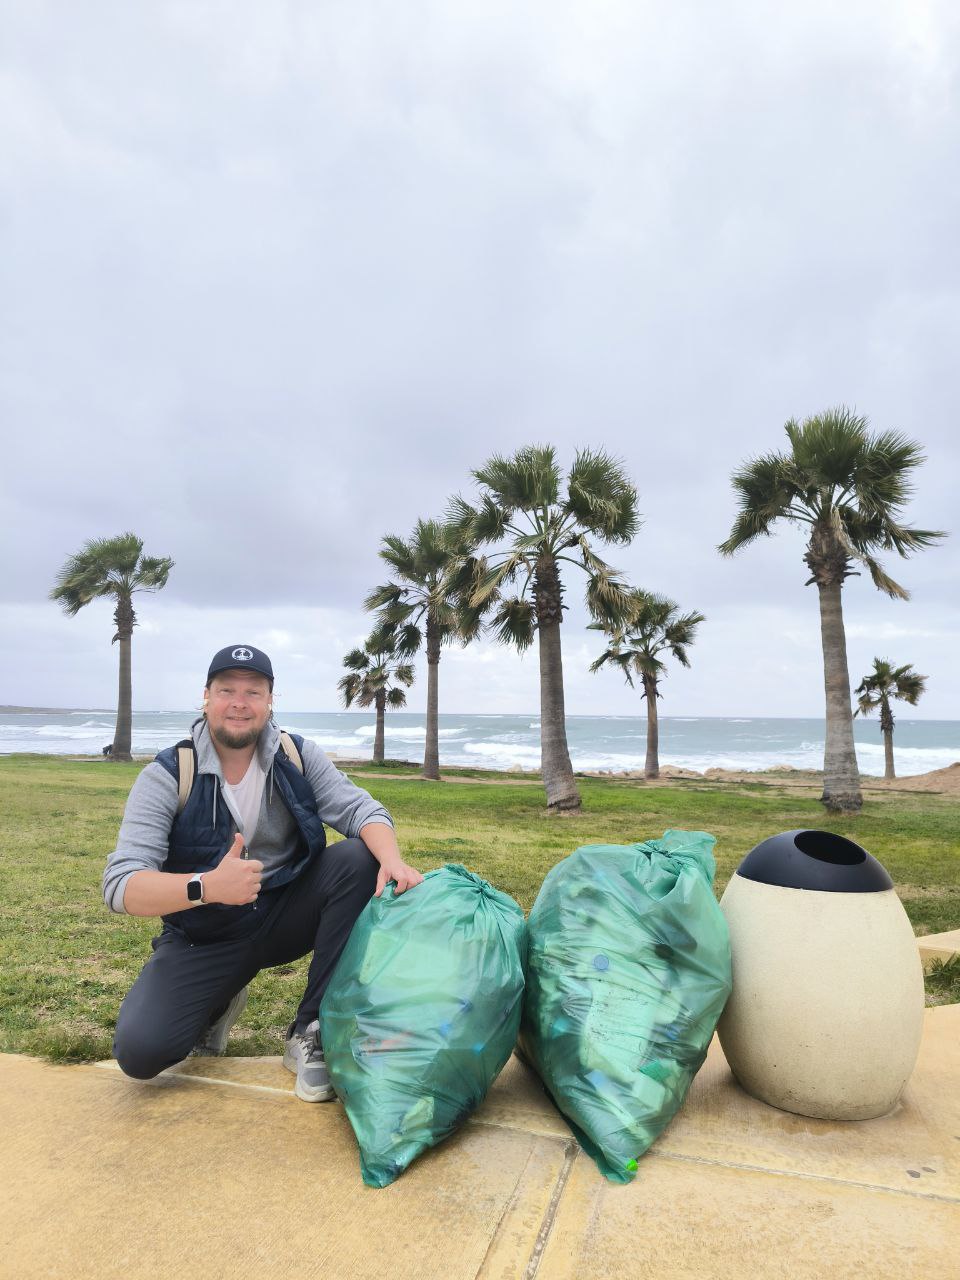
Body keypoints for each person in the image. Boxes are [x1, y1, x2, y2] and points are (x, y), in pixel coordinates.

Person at [103, 643, 423, 1101]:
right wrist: (206, 886)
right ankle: (218, 999)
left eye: (253, 692)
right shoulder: (170, 774)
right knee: (142, 1052)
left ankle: (312, 1028)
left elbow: (361, 810)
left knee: (359, 856)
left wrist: (391, 859)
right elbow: (121, 885)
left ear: (270, 701)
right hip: (206, 934)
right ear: (206, 697)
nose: (240, 703)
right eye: (227, 690)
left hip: (285, 916)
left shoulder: (295, 755)